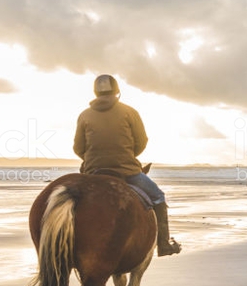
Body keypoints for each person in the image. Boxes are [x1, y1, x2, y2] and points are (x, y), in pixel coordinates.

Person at [73, 74, 181, 256]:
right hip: (127, 171)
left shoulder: (84, 115)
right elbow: (141, 141)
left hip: (94, 171)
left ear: (95, 92)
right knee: (158, 198)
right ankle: (163, 245)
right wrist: (126, 157)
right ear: (117, 91)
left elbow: (78, 148)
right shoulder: (130, 112)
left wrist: (93, 160)